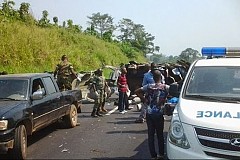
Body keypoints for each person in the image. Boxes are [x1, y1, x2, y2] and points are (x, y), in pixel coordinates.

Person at [135, 69, 169, 159]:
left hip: (149, 113)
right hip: (159, 113)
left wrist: (144, 99)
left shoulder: (149, 86)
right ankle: (161, 154)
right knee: (160, 135)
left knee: (151, 135)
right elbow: (173, 93)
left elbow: (137, 91)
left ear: (153, 78)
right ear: (161, 77)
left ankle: (153, 155)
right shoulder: (165, 87)